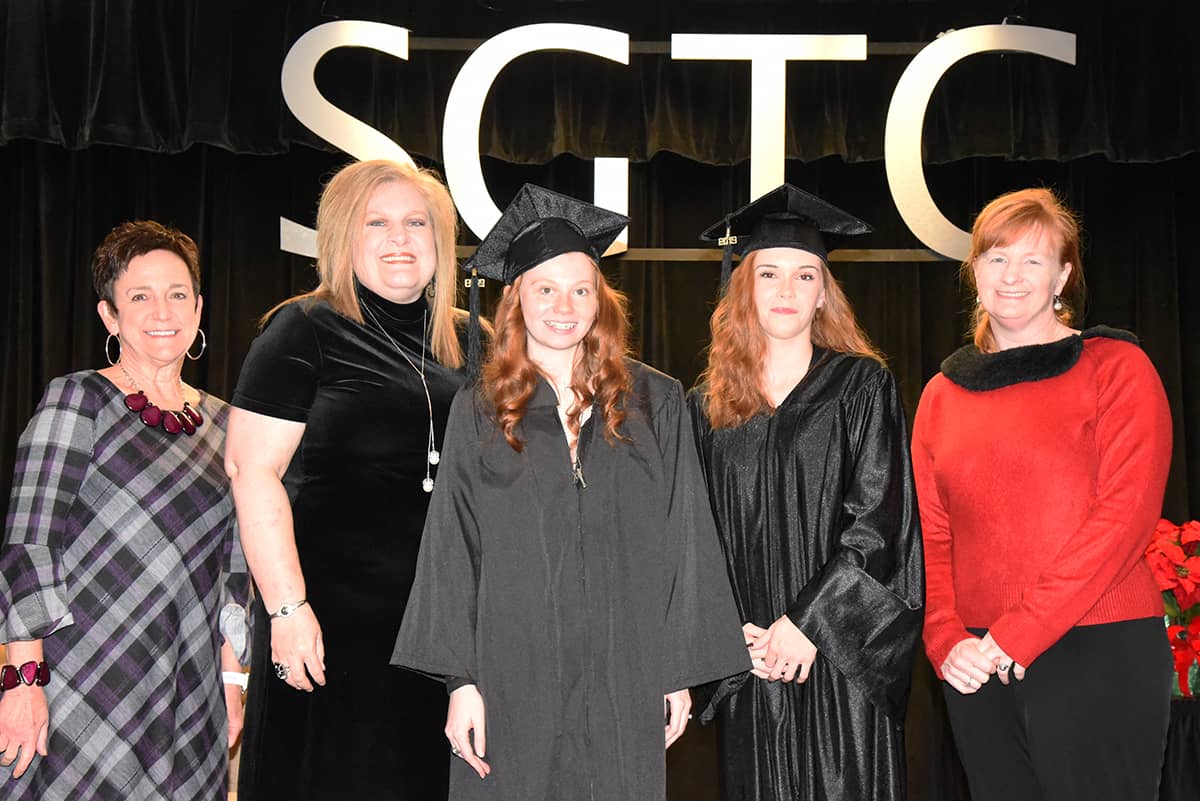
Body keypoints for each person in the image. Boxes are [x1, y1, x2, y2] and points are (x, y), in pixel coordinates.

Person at [392, 184, 748, 801]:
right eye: (545, 289)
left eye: (581, 289)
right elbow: (453, 549)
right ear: (516, 299)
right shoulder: (479, 409)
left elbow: (685, 538)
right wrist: (460, 683)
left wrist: (676, 673)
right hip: (510, 673)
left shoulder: (653, 400)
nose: (564, 305)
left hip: (625, 671)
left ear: (601, 300)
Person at [912, 187, 1173, 801]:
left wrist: (1019, 633)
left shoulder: (1117, 366)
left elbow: (1125, 519)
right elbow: (932, 534)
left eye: (1033, 260)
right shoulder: (941, 394)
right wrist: (946, 637)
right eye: (997, 258)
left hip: (1099, 645)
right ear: (973, 271)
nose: (1012, 276)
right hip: (978, 663)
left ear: (1063, 275)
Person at [226, 159, 468, 800]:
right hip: (325, 625)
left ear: (440, 239)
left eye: (416, 222)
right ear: (341, 237)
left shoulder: (473, 342)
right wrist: (287, 608)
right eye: (377, 223)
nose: (400, 239)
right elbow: (253, 472)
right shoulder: (304, 327)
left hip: (437, 631)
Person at [687, 184, 924, 801]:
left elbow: (883, 521)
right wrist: (726, 634)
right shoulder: (708, 408)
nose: (786, 290)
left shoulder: (861, 387)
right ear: (744, 288)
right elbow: (693, 537)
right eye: (768, 273)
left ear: (824, 293)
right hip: (753, 660)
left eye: (804, 275)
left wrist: (809, 624)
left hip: (838, 657)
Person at [0, 221, 250, 800]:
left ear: (199, 307)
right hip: (79, 681)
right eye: (140, 296)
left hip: (188, 692)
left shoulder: (228, 423)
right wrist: (22, 681)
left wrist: (232, 680)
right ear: (111, 316)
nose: (162, 310)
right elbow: (30, 546)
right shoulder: (78, 399)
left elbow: (235, 568)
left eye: (177, 294)